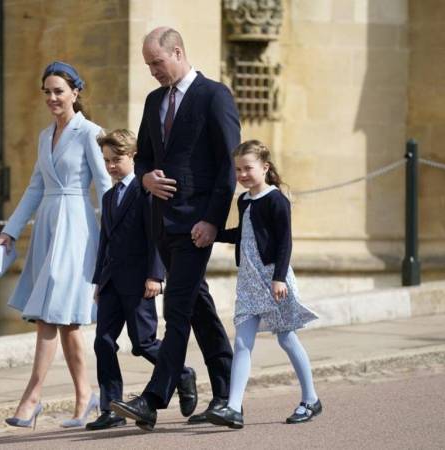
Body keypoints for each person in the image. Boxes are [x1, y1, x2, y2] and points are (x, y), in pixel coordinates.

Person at [110, 27, 238, 431]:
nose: (152, 72)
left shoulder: (214, 96)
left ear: (178, 52)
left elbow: (227, 164)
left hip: (197, 225)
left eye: (157, 63)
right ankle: (226, 393)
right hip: (161, 225)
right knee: (197, 305)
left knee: (177, 307)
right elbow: (144, 158)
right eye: (148, 65)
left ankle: (152, 399)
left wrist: (213, 221)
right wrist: (144, 179)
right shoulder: (153, 101)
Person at [0, 61, 111, 429]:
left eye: (58, 90)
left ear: (76, 92)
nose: (52, 98)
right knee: (67, 321)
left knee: (50, 314)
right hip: (47, 226)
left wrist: (114, 237)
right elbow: (35, 187)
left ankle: (31, 399)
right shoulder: (45, 137)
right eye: (47, 91)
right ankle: (84, 397)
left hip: (77, 228)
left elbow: (106, 187)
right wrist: (9, 232)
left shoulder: (91, 133)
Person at [86, 129, 196, 430]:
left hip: (139, 282)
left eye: (116, 159)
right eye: (106, 160)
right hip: (110, 281)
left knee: (144, 343)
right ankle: (111, 409)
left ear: (133, 156)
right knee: (103, 343)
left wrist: (155, 275)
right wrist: (98, 281)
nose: (110, 166)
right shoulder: (109, 197)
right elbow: (104, 242)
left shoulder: (146, 193)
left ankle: (183, 374)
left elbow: (155, 237)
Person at [206, 140, 321, 429]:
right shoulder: (244, 200)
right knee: (242, 342)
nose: (242, 174)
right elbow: (245, 235)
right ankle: (233, 408)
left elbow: (284, 242)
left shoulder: (276, 199)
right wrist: (214, 234)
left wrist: (279, 277)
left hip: (272, 278)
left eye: (248, 168)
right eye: (238, 170)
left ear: (265, 167)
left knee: (286, 338)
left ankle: (311, 399)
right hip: (248, 279)